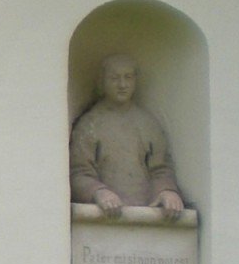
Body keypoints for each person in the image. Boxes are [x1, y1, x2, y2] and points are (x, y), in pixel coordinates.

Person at [70, 54, 185, 218]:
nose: (122, 85)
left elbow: (160, 168)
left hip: (145, 216)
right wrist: (98, 192)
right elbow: (78, 172)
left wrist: (166, 191)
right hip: (104, 218)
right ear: (103, 81)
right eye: (114, 78)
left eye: (128, 77)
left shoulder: (148, 124)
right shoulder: (90, 124)